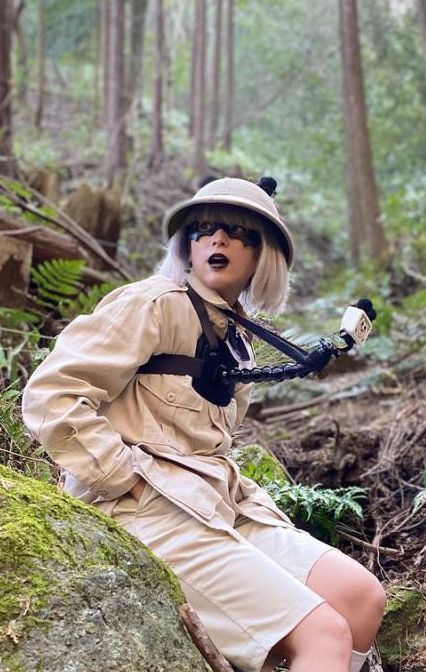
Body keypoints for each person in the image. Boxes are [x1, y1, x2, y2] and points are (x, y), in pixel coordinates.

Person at [22, 177, 386, 672]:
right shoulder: (153, 304)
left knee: (361, 598)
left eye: (239, 232)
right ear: (187, 245)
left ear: (263, 256)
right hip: (147, 511)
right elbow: (52, 392)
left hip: (218, 504)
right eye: (205, 228)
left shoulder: (238, 337)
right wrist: (124, 475)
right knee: (324, 633)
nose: (219, 239)